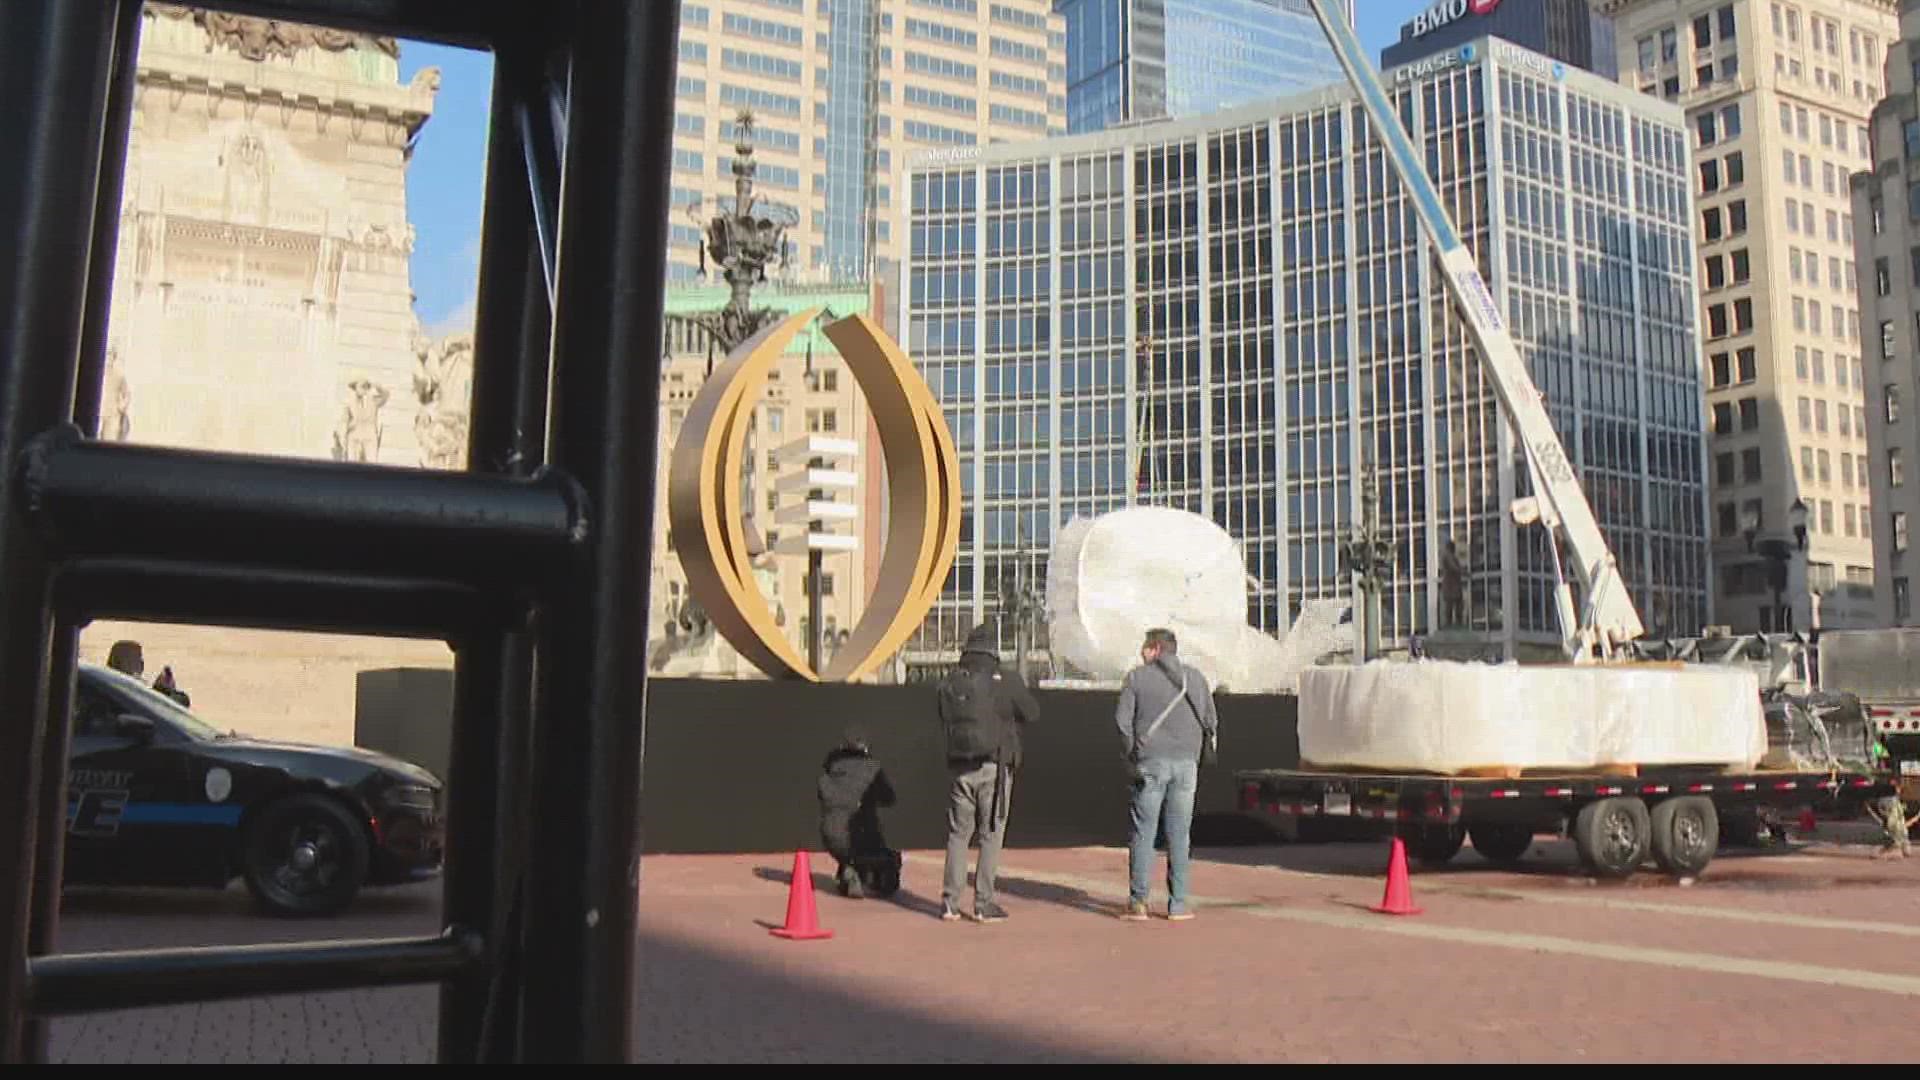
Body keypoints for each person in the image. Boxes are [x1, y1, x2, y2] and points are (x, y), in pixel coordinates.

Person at [936, 624, 1040, 923]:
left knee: (958, 835)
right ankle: (983, 903)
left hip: (960, 766)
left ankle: (949, 903)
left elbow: (943, 716)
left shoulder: (952, 681)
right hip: (995, 767)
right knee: (990, 836)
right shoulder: (1005, 680)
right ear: (994, 649)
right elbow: (1032, 712)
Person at [1115, 627, 1217, 922]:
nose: (1141, 653)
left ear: (1156, 649)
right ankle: (1178, 904)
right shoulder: (1196, 678)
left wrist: (1131, 752)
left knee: (1144, 831)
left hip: (1150, 762)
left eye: (1145, 648)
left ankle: (1138, 902)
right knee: (1179, 834)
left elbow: (1122, 722)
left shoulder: (1136, 677)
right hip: (1187, 764)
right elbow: (1211, 719)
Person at [816, 729, 900, 898]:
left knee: (851, 846)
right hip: (859, 834)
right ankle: (875, 876)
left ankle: (849, 868)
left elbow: (823, 794)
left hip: (830, 835)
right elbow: (889, 798)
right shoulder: (872, 769)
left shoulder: (830, 771)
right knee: (887, 856)